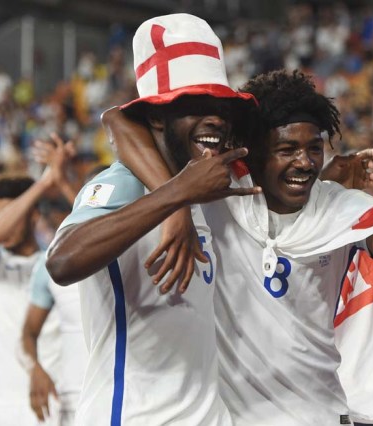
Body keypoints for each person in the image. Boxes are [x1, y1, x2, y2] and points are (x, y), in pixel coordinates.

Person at [103, 69, 373, 425]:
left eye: (314, 148)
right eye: (287, 149)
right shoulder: (222, 193)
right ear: (251, 151)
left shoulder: (339, 204)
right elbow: (117, 119)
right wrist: (174, 205)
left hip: (318, 413)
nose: (305, 162)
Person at [45, 14, 261, 425]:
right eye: (197, 106)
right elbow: (61, 260)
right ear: (157, 118)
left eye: (222, 108)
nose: (216, 119)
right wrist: (176, 197)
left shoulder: (209, 183)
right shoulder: (123, 184)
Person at [0, 173, 61, 426]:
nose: (2, 224)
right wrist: (43, 182)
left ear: (33, 216)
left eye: (11, 214)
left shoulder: (58, 264)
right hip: (5, 406)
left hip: (61, 399)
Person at [20, 133, 85, 425]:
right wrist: (35, 367)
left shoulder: (125, 254)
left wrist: (60, 179)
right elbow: (28, 333)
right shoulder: (47, 266)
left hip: (131, 394)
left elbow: (95, 219)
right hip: (71, 398)